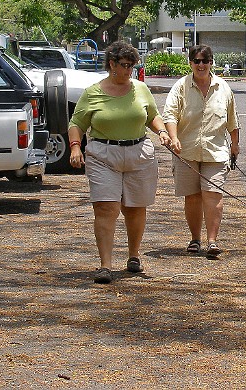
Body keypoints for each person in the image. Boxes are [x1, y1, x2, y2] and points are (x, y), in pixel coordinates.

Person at [68, 41, 171, 284]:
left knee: (135, 207)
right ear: (111, 64)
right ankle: (105, 265)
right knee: (106, 207)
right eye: (124, 66)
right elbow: (77, 124)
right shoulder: (93, 92)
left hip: (138, 152)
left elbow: (153, 116)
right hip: (104, 154)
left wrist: (163, 132)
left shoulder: (140, 89)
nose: (128, 71)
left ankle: (134, 255)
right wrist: (75, 147)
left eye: (132, 66)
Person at [162, 44, 240, 257]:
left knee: (213, 193)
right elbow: (169, 115)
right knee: (193, 196)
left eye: (205, 61)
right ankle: (195, 239)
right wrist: (174, 137)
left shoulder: (223, 88)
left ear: (211, 63)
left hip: (216, 151)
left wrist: (235, 144)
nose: (201, 65)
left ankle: (212, 241)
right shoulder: (180, 87)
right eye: (196, 61)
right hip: (185, 151)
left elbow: (232, 120)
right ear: (190, 63)